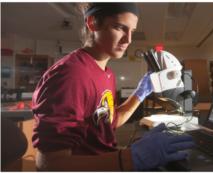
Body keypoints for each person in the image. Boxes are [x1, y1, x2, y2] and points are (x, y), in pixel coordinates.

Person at [31, 3, 194, 171]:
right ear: (93, 23)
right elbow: (49, 164)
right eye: (119, 27)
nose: (128, 39)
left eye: (132, 30)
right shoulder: (71, 75)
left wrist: (140, 93)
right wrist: (130, 158)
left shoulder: (106, 73)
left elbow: (109, 122)